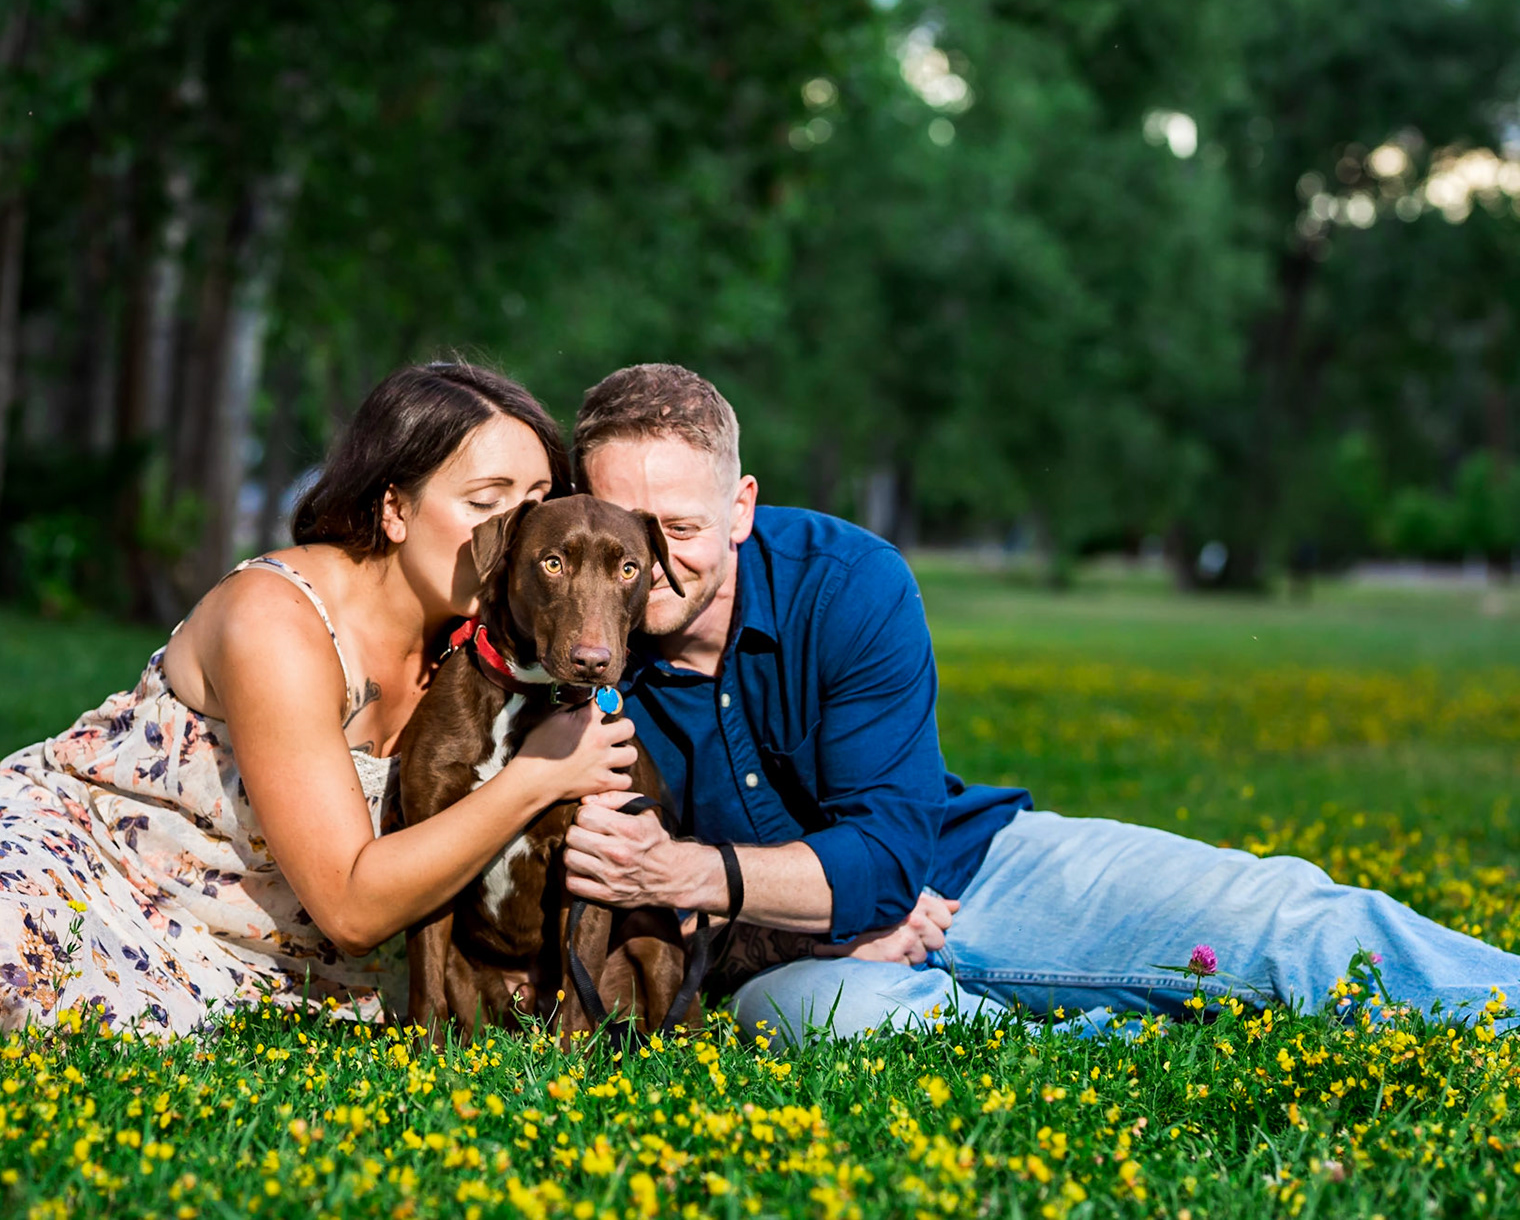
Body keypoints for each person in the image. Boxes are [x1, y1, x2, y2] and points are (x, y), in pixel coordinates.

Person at [559, 363, 1520, 1044]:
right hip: (797, 968)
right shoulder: (570, 662)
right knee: (815, 1019)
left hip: (981, 861)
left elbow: (890, 856)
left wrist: (683, 874)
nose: (647, 561)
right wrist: (791, 923)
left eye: (679, 526)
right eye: (617, 527)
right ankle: (1076, 1034)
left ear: (741, 509)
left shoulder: (848, 581)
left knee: (1280, 916)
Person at [0, 363, 640, 1038]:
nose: (515, 528)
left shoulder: (494, 656)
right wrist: (528, 781)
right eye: (487, 500)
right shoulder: (278, 618)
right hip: (88, 866)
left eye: (534, 502)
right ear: (394, 508)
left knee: (61, 1030)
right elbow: (353, 903)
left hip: (263, 963)